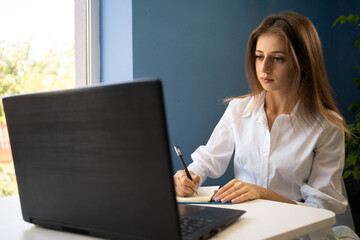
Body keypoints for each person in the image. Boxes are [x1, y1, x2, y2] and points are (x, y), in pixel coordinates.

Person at [173, 11, 359, 240]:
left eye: (278, 58)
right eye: (259, 56)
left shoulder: (327, 127)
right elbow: (206, 162)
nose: (264, 68)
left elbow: (320, 213)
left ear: (303, 63)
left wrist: (263, 194)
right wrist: (187, 177)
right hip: (248, 231)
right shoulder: (238, 110)